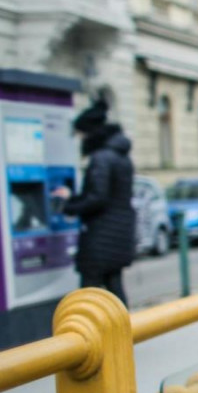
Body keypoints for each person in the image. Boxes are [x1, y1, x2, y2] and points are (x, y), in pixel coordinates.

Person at [52, 97, 136, 306]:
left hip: (101, 234)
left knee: (89, 291)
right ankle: (124, 333)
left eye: (81, 134)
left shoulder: (101, 158)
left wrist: (68, 205)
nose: (79, 139)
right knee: (114, 286)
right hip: (119, 232)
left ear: (90, 133)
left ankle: (94, 337)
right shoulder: (121, 156)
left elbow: (98, 197)